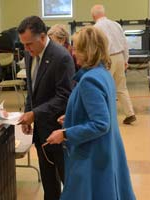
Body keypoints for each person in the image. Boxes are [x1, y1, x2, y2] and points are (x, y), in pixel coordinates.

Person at [46, 26, 136, 200]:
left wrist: (65, 134)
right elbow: (99, 110)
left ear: (88, 51)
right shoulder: (103, 74)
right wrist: (72, 116)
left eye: (77, 48)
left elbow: (101, 123)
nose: (73, 52)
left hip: (93, 155)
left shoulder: (89, 81)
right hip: (107, 149)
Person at [17, 16, 75, 200]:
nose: (26, 49)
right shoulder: (29, 54)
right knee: (49, 185)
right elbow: (31, 90)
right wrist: (28, 113)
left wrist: (35, 114)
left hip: (58, 132)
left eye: (29, 44)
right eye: (23, 45)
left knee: (69, 183)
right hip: (41, 133)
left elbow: (64, 97)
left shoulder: (61, 57)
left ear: (42, 37)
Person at [91, 4, 136, 124]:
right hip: (120, 56)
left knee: (106, 87)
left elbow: (96, 48)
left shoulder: (95, 28)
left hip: (107, 59)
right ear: (104, 13)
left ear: (93, 16)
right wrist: (126, 59)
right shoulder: (116, 24)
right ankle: (130, 113)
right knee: (122, 87)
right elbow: (125, 43)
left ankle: (108, 116)